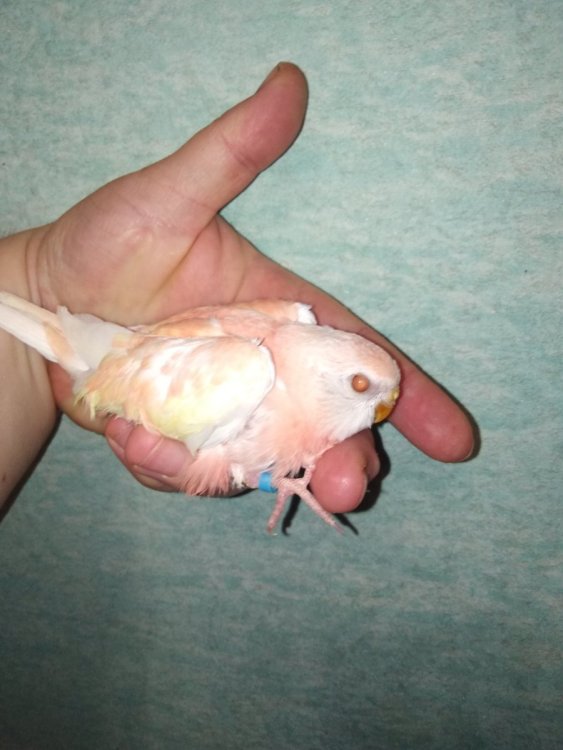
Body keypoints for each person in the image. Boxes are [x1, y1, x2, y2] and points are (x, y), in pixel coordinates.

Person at [0, 63, 474, 511]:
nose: (383, 406)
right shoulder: (248, 372)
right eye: (360, 384)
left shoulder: (293, 323)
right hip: (112, 358)